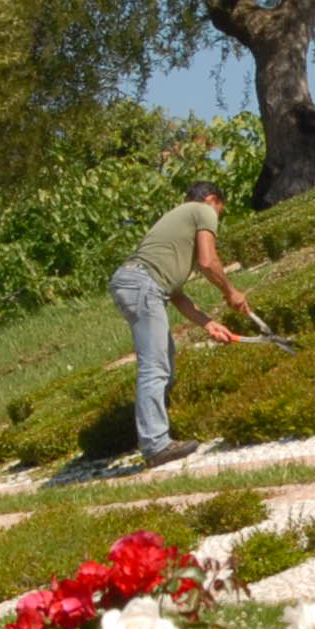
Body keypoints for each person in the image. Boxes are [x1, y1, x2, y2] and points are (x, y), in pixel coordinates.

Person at [110, 184, 246, 468]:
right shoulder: (202, 211)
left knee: (164, 364)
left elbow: (176, 295)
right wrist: (231, 292)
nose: (216, 219)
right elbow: (208, 262)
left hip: (135, 283)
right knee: (155, 367)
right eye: (219, 211)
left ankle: (159, 431)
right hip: (142, 286)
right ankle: (156, 446)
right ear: (212, 200)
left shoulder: (176, 227)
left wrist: (209, 324)